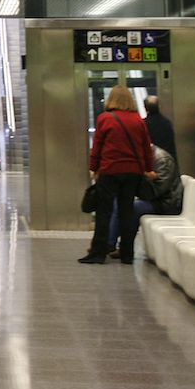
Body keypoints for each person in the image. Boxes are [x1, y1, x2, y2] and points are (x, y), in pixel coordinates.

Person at [79, 86, 154, 265]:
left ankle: (98, 253)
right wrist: (147, 168)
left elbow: (97, 146)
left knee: (104, 212)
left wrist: (93, 167)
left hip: (110, 170)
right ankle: (127, 253)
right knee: (126, 212)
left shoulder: (105, 119)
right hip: (133, 172)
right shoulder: (138, 120)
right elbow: (146, 148)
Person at [143, 95, 177, 159]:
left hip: (153, 159)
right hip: (169, 158)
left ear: (145, 108)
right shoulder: (167, 122)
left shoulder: (144, 124)